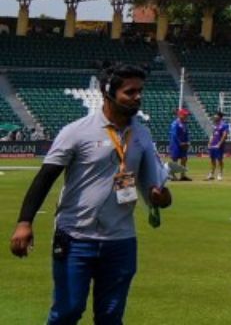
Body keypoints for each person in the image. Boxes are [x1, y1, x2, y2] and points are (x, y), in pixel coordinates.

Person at [10, 62, 173, 325]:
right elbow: (45, 177)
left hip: (121, 240)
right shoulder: (76, 131)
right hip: (76, 237)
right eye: (130, 92)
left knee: (110, 316)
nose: (138, 97)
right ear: (108, 92)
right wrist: (24, 222)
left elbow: (159, 193)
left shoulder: (142, 135)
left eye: (140, 91)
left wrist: (160, 197)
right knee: (68, 311)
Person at [166, 111, 191, 182]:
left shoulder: (184, 124)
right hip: (176, 144)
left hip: (184, 144)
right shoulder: (175, 123)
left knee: (184, 159)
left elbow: (186, 134)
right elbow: (174, 134)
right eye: (185, 115)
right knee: (175, 160)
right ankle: (172, 175)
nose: (186, 116)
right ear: (180, 115)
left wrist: (187, 142)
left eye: (186, 115)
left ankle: (183, 175)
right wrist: (180, 143)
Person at [206, 112, 230, 182]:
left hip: (218, 145)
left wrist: (219, 144)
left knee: (219, 160)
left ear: (219, 117)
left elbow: (224, 135)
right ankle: (211, 174)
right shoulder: (215, 125)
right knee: (212, 160)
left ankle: (220, 174)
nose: (214, 116)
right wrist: (209, 143)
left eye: (215, 115)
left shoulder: (224, 125)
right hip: (213, 145)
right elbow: (212, 135)